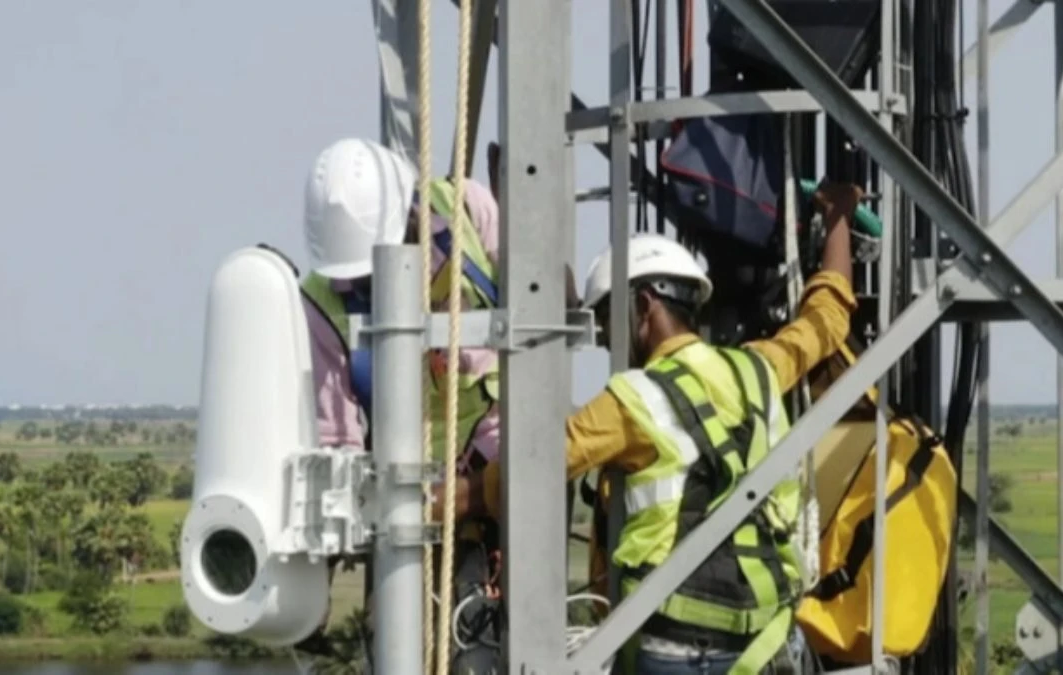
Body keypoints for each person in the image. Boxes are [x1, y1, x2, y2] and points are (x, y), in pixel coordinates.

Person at [440, 182, 862, 673]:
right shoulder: (760, 370)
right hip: (769, 642)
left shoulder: (631, 401)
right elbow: (827, 317)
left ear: (643, 307)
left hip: (680, 649)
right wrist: (839, 219)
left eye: (607, 323)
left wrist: (437, 502)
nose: (606, 344)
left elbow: (524, 474)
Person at [296, 137, 507, 668]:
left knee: (492, 644)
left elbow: (532, 308)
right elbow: (337, 439)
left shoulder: (467, 210)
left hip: (500, 471)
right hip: (405, 500)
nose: (364, 281)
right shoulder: (322, 301)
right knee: (402, 648)